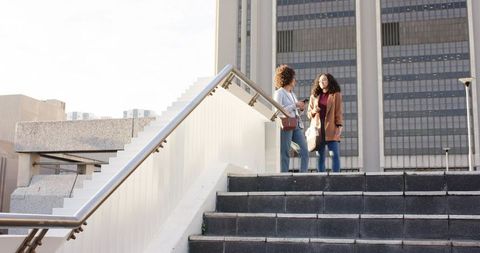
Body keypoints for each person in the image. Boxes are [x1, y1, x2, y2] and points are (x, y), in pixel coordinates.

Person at [273, 65, 309, 173]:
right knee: (285, 153)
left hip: (296, 125)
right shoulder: (279, 92)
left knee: (304, 151)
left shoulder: (292, 94)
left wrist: (301, 108)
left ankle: (304, 176)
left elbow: (294, 110)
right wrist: (295, 105)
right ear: (288, 78)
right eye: (293, 78)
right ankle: (284, 175)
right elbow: (278, 111)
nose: (295, 80)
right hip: (286, 125)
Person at [307, 73, 343, 172]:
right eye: (319, 81)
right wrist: (314, 110)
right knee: (320, 157)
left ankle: (336, 178)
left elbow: (338, 111)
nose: (321, 82)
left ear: (329, 81)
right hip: (318, 129)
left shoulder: (336, 94)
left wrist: (339, 125)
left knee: (334, 155)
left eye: (324, 80)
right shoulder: (314, 96)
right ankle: (321, 178)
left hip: (331, 127)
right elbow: (309, 114)